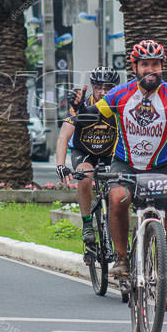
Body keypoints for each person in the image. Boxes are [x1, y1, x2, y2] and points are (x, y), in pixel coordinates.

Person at [70, 39, 167, 311]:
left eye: (155, 64)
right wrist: (77, 108)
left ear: (162, 67)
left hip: (158, 167)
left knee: (165, 226)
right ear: (135, 67)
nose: (150, 70)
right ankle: (121, 259)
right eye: (145, 65)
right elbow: (92, 116)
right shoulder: (121, 94)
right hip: (126, 163)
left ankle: (164, 288)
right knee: (118, 197)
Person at [55, 67, 120, 244]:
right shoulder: (81, 104)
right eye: (98, 87)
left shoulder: (119, 105)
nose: (102, 92)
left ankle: (119, 230)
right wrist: (61, 165)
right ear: (92, 86)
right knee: (84, 178)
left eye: (108, 88)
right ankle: (87, 224)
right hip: (84, 152)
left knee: (121, 188)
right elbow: (63, 136)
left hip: (110, 154)